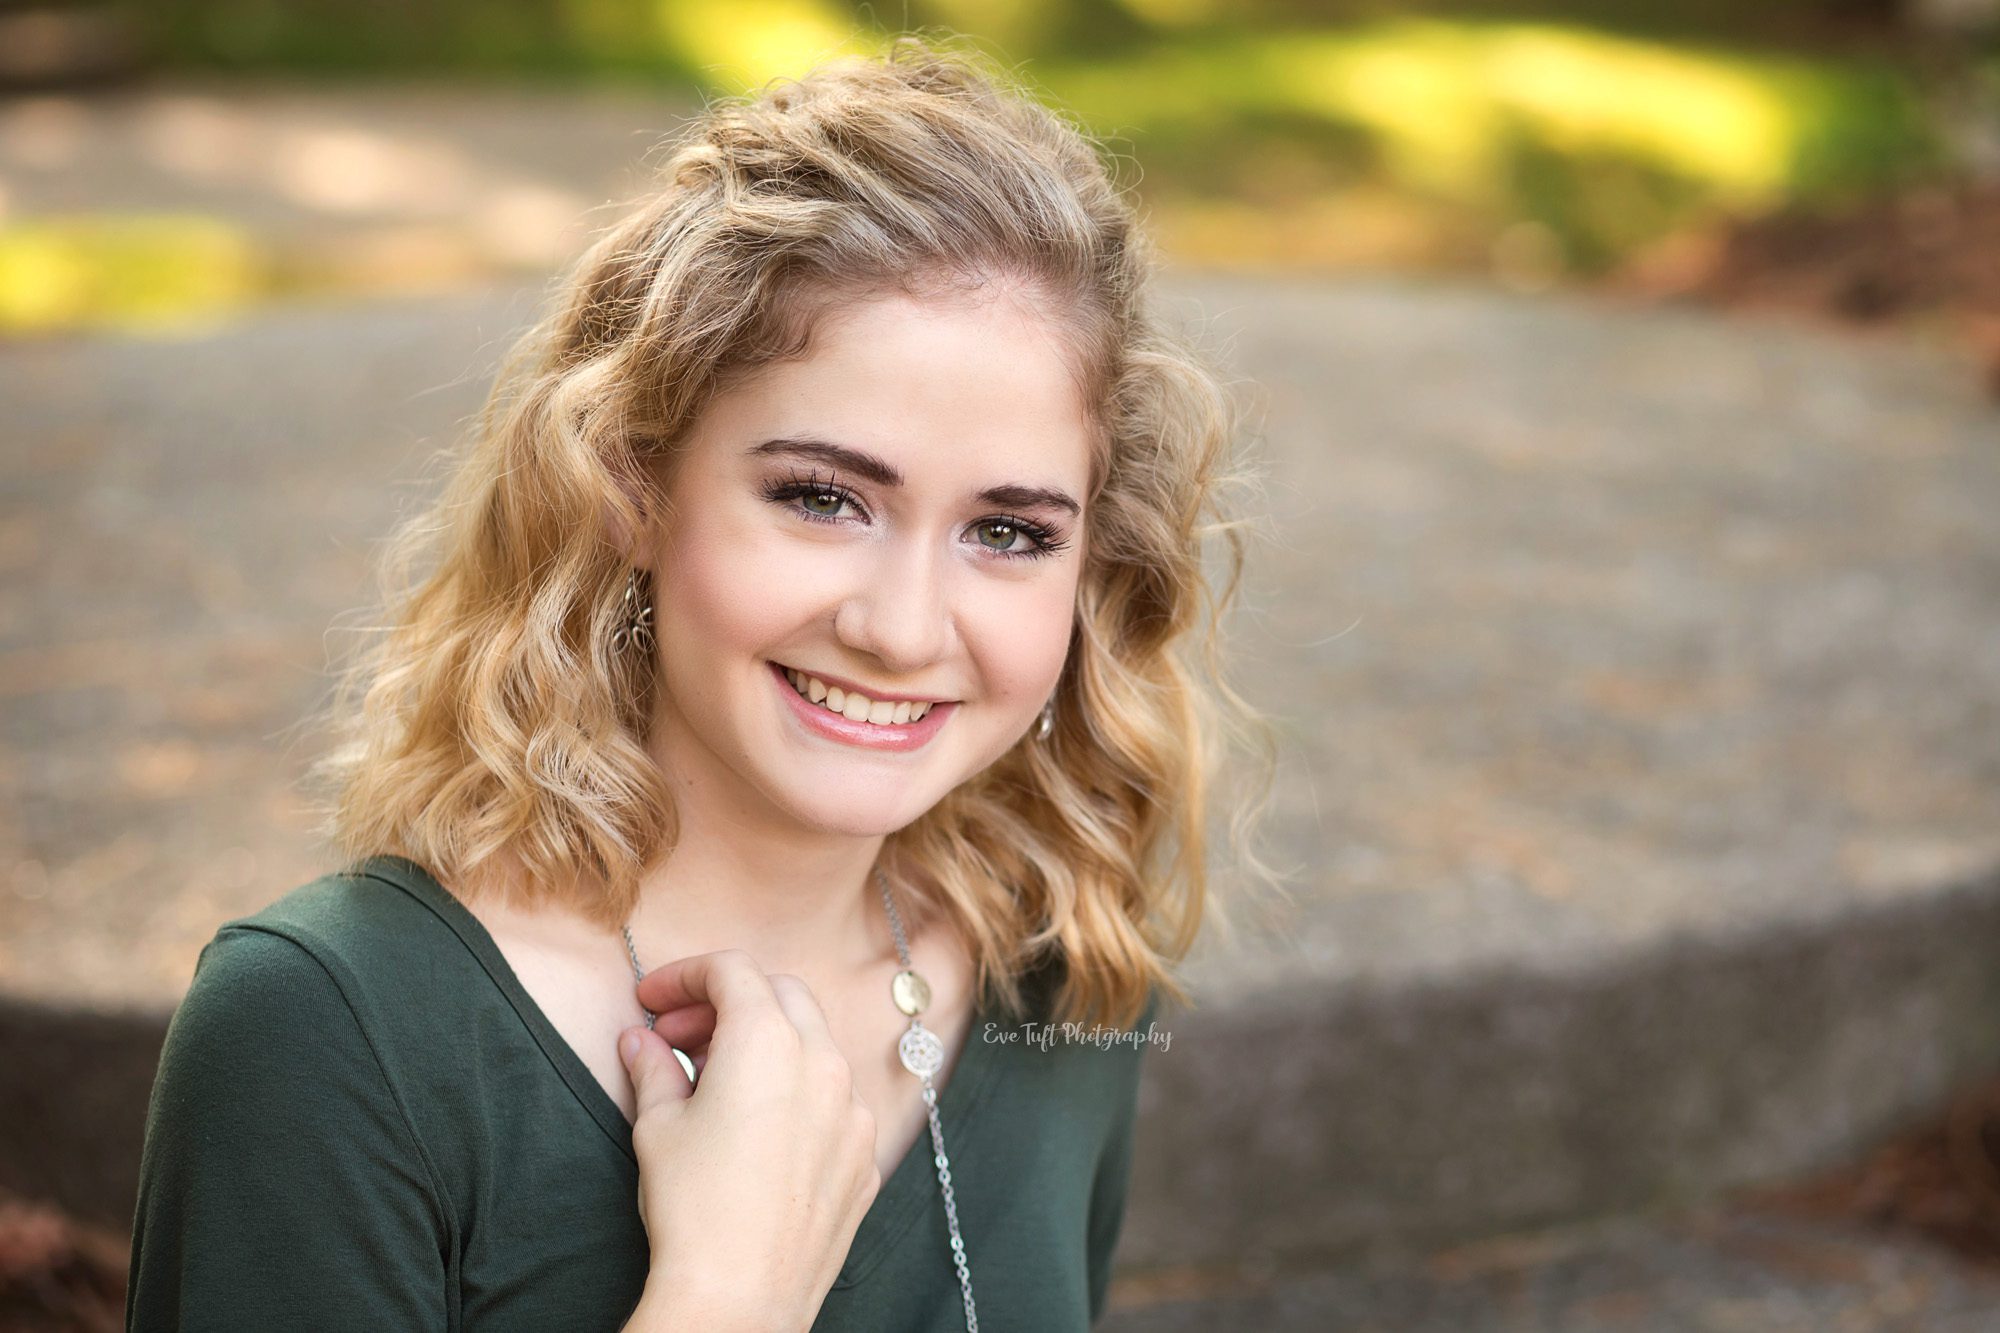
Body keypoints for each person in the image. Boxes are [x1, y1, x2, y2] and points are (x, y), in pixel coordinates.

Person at [125, 35, 1277, 1333]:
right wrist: (727, 1296)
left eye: (1007, 532)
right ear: (630, 487)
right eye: (822, 498)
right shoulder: (325, 1034)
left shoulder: (1061, 988)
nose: (903, 629)